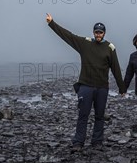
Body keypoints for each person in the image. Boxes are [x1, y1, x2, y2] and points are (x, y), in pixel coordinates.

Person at [45, 13, 126, 151]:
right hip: (86, 87)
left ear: (104, 33)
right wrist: (52, 23)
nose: (98, 34)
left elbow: (116, 68)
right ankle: (78, 142)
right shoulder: (85, 44)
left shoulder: (109, 48)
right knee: (83, 115)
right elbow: (68, 36)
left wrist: (122, 88)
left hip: (102, 88)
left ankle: (97, 142)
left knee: (99, 116)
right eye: (96, 32)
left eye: (101, 32)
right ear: (93, 32)